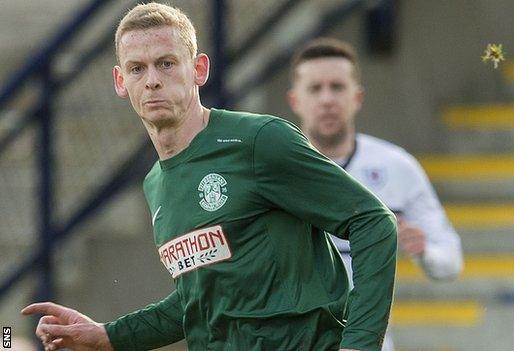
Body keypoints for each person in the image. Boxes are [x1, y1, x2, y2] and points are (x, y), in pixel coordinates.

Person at [21, 4, 397, 351]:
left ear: (199, 69)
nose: (152, 80)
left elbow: (372, 222)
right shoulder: (156, 183)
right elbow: (198, 301)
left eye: (166, 64)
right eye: (137, 68)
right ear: (121, 82)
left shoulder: (259, 141)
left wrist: (359, 343)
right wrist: (108, 336)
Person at [287, 38, 464, 351]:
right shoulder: (274, 170)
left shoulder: (396, 166)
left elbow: (450, 262)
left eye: (337, 87)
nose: (327, 99)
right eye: (315, 89)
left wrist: (424, 251)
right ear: (295, 101)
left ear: (357, 97)